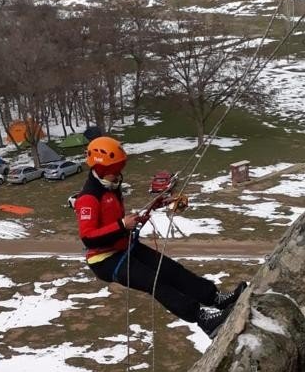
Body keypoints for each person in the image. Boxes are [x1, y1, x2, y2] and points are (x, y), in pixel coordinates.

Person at [74, 137, 248, 338]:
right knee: (155, 282)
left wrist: (151, 208)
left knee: (170, 269)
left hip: (126, 246)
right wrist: (122, 225)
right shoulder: (88, 198)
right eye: (115, 169)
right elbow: (88, 237)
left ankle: (216, 298)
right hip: (105, 260)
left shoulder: (110, 187)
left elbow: (115, 221)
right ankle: (203, 319)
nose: (119, 174)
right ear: (101, 168)